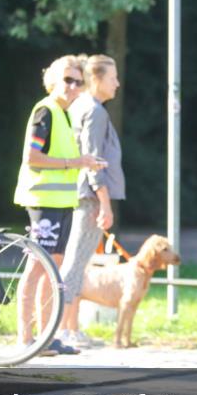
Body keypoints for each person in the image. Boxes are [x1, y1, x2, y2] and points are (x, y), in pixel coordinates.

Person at [13, 55, 106, 356]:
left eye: (79, 82)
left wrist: (84, 163)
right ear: (52, 80)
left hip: (61, 203)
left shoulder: (64, 114)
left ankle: (45, 337)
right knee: (37, 268)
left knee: (51, 269)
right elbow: (32, 157)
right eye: (67, 80)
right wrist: (77, 162)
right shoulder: (46, 111)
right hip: (43, 201)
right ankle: (26, 339)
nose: (73, 86)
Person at [58, 54, 126, 347]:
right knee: (75, 263)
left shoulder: (83, 106)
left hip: (84, 194)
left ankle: (70, 328)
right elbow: (93, 159)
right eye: (113, 78)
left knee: (78, 261)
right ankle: (62, 330)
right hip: (90, 196)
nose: (118, 84)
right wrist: (105, 202)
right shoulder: (95, 111)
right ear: (96, 79)